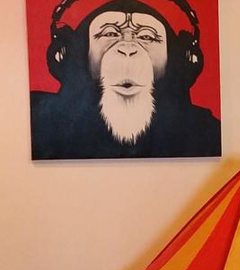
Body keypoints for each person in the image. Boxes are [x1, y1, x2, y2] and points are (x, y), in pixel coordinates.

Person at [31, 0, 220, 159]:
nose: (127, 48)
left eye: (146, 36)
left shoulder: (206, 132)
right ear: (71, 54)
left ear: (181, 59)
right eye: (110, 33)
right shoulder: (39, 119)